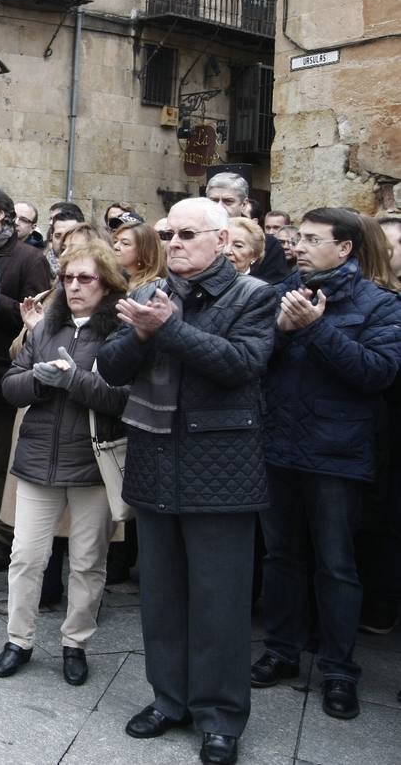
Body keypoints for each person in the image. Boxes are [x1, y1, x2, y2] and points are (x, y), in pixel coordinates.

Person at [98, 197, 278, 765]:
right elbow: (110, 367)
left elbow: (239, 366)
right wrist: (143, 331)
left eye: (188, 234)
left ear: (222, 242)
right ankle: (168, 698)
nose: (174, 243)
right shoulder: (150, 294)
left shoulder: (255, 296)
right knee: (162, 595)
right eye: (169, 233)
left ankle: (221, 717)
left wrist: (167, 331)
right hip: (155, 462)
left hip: (220, 468)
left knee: (219, 604)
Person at [255, 207, 401, 721]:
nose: (297, 246)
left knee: (337, 565)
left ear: (345, 248)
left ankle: (339, 669)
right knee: (281, 557)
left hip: (337, 455)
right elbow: (252, 361)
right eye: (297, 237)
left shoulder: (379, 304)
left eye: (312, 239)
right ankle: (280, 650)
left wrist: (315, 330)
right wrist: (280, 327)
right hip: (277, 448)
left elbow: (376, 373)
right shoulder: (279, 294)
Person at [0, 239, 129, 686]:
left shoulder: (120, 332)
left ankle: (76, 643)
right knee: (26, 557)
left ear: (106, 284)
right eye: (67, 278)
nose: (73, 286)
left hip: (91, 462)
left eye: (85, 278)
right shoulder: (45, 327)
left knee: (88, 562)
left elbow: (121, 400)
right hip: (37, 460)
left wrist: (75, 381)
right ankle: (19, 640)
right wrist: (37, 378)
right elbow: (10, 386)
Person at [0, 185, 52, 572]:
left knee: (4, 463)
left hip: (4, 374)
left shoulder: (28, 258)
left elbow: (35, 317)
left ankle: (4, 537)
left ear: (2, 214)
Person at [205, 172, 292, 285]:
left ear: (244, 204)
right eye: (214, 201)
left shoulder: (268, 244)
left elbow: (275, 286)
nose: (220, 207)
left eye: (228, 201)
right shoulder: (195, 237)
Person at [112, 218, 166, 291]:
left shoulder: (154, 287)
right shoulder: (111, 279)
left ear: (143, 251)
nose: (115, 247)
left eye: (125, 243)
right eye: (115, 241)